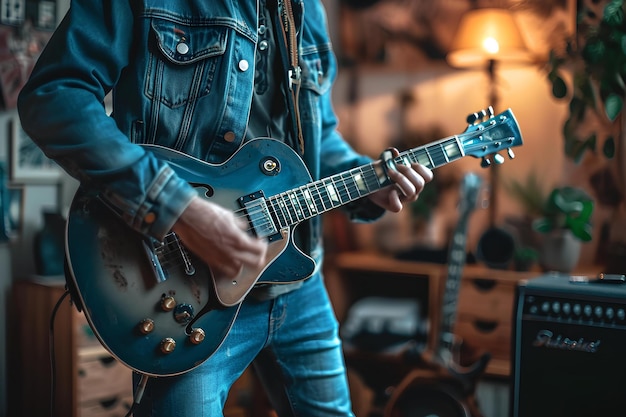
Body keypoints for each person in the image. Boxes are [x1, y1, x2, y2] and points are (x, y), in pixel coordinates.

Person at [17, 0, 433, 415]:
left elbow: (317, 141)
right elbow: (54, 97)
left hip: (299, 282)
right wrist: (180, 210)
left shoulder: (310, 12)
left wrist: (368, 181)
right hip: (190, 292)